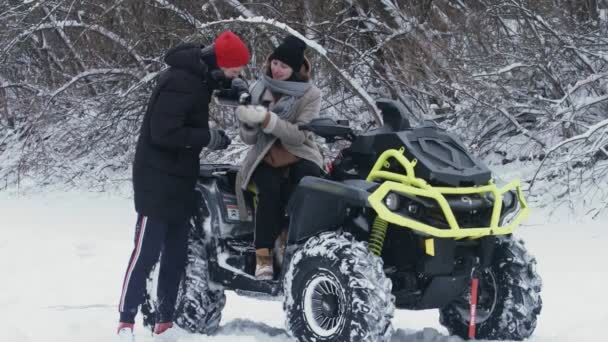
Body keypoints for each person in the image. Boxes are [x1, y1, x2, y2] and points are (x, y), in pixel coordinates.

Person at [116, 31, 250, 341]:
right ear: (220, 62)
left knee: (176, 257)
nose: (236, 74)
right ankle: (125, 321)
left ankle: (165, 323)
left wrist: (239, 89)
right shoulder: (180, 81)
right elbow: (164, 133)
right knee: (146, 253)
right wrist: (208, 137)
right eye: (234, 70)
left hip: (180, 179)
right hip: (157, 179)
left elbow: (215, 86)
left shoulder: (200, 78)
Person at [235, 35, 324, 280]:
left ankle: (290, 240)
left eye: (284, 66)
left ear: (296, 69)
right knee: (269, 188)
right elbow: (249, 139)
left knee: (308, 184)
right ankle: (263, 256)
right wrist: (247, 120)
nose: (277, 69)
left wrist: (267, 120)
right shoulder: (259, 87)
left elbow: (299, 136)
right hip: (265, 154)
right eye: (275, 63)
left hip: (298, 152)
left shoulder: (310, 94)